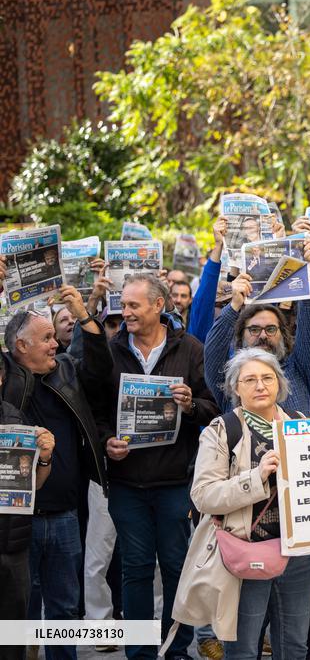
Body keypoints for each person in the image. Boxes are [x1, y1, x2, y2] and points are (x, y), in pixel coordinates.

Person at [174, 348, 310, 659]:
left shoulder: (299, 424)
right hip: (246, 550)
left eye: (267, 378)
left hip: (297, 552)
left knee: (294, 645)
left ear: (280, 384)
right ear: (235, 388)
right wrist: (256, 477)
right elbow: (203, 495)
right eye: (249, 379)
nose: (260, 385)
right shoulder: (223, 430)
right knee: (242, 648)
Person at [102, 274, 220, 660]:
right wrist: (107, 442)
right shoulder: (110, 349)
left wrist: (190, 406)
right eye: (124, 304)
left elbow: (213, 407)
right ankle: (139, 652)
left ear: (159, 306)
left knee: (175, 566)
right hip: (126, 483)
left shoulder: (190, 348)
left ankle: (176, 648)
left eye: (134, 305)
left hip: (174, 481)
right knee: (135, 569)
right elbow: (96, 410)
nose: (126, 311)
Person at [1, 285, 112, 660]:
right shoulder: (6, 380)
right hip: (18, 521)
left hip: (65, 513)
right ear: (20, 347)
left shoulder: (65, 369)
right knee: (23, 610)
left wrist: (83, 314)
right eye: (46, 338)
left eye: (54, 336)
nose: (54, 344)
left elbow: (99, 368)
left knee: (64, 608)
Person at [204, 234, 310, 416]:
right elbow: (213, 351)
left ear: (283, 335)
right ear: (241, 335)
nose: (263, 335)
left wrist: (308, 278)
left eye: (271, 329)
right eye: (254, 329)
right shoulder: (231, 378)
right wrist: (235, 305)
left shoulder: (299, 369)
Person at [0, 351, 56, 660]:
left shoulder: (13, 416)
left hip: (13, 547)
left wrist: (45, 456)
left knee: (11, 640)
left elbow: (32, 485)